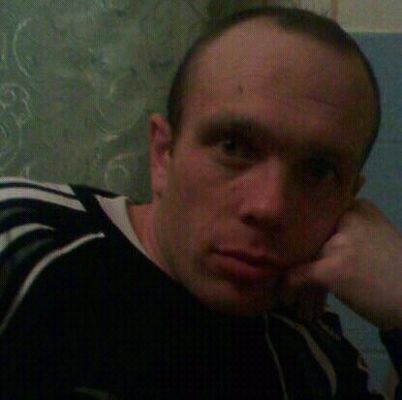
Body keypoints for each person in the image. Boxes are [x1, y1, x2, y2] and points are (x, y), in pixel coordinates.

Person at [0, 6, 401, 399]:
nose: (270, 207)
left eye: (318, 171)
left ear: (348, 201)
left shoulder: (313, 358)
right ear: (162, 154)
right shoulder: (21, 241)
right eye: (233, 147)